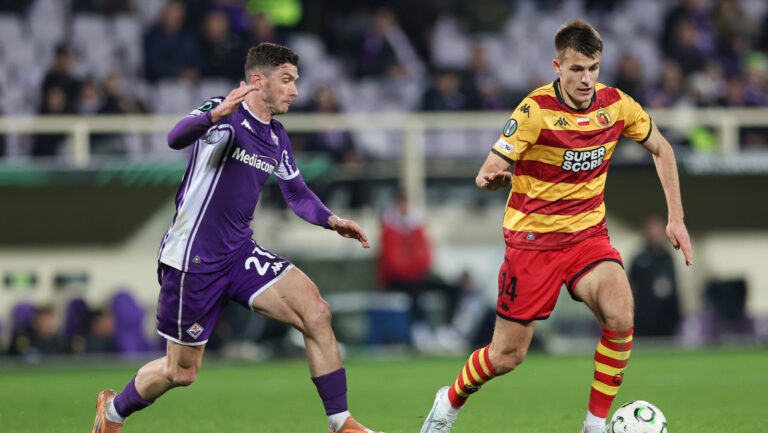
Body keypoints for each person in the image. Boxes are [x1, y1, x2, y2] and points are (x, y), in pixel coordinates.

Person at [91, 43, 381, 433]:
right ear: (258, 81)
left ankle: (340, 422)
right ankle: (113, 412)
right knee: (181, 371)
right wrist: (214, 115)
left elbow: (296, 193)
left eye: (296, 81)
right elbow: (175, 138)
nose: (295, 90)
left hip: (240, 253)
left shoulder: (276, 136)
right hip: (193, 258)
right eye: (287, 80)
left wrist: (331, 220)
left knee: (316, 312)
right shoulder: (223, 114)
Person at [420, 20, 693, 433]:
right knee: (507, 355)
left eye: (593, 68)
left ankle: (594, 426)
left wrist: (676, 217)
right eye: (577, 69)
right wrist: (492, 179)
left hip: (587, 237)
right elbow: (488, 169)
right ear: (558, 66)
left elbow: (663, 149)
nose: (586, 79)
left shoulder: (617, 105)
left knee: (621, 314)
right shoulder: (534, 111)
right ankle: (449, 400)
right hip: (533, 242)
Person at [629, 215, 681, 337]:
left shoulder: (667, 257)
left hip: (666, 317)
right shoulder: (639, 259)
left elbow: (674, 286)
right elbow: (631, 285)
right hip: (644, 317)